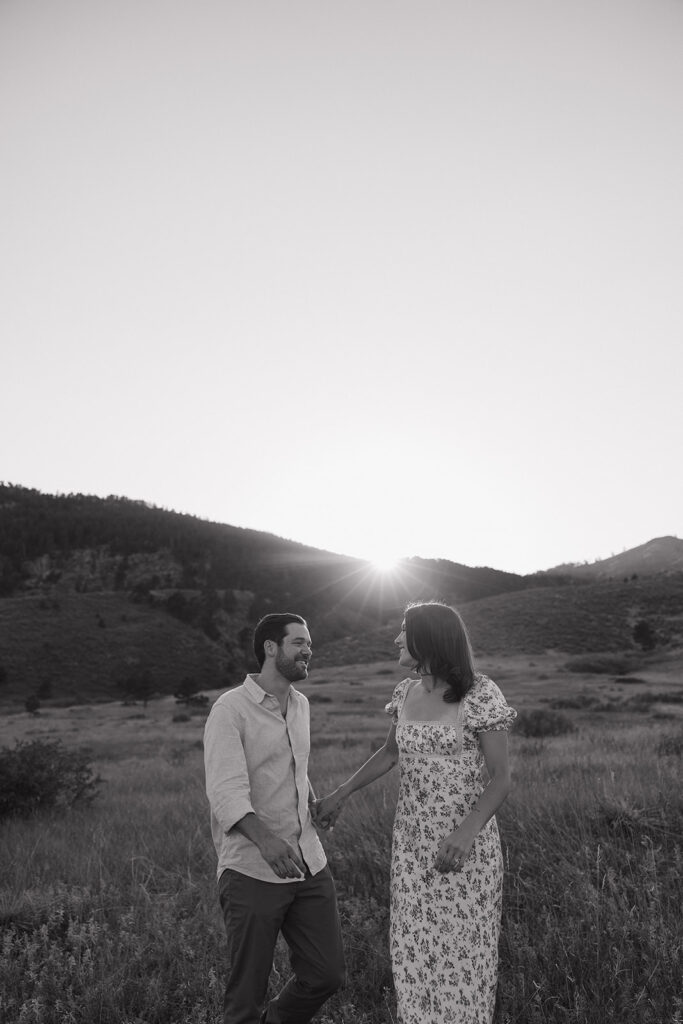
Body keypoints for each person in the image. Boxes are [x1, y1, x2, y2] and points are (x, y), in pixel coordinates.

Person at [317, 601, 516, 1024]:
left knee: (463, 959)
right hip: (411, 843)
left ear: (428, 638)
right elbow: (391, 753)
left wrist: (465, 833)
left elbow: (500, 778)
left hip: (466, 848)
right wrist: (342, 792)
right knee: (415, 952)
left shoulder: (481, 693)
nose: (395, 638)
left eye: (403, 630)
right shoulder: (405, 693)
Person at [204, 612, 345, 1024]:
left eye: (309, 644)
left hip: (309, 863)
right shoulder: (230, 710)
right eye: (299, 642)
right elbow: (225, 792)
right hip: (252, 870)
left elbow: (293, 767)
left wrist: (315, 803)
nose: (308, 651)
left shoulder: (300, 704)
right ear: (271, 647)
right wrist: (266, 842)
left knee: (326, 974)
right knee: (246, 994)